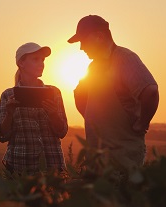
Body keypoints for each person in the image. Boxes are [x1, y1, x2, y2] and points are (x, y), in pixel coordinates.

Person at [68, 15, 159, 171]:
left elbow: (150, 91)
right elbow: (79, 95)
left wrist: (142, 123)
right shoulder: (93, 67)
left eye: (83, 40)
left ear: (99, 36)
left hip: (123, 156)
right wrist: (92, 120)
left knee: (123, 194)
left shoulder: (125, 59)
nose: (81, 47)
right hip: (97, 156)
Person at [0, 42, 68, 175]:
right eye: (35, 59)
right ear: (21, 63)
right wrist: (9, 114)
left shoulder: (54, 92)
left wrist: (53, 114)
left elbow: (62, 131)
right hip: (19, 167)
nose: (41, 63)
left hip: (52, 166)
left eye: (43, 60)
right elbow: (1, 136)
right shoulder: (8, 95)